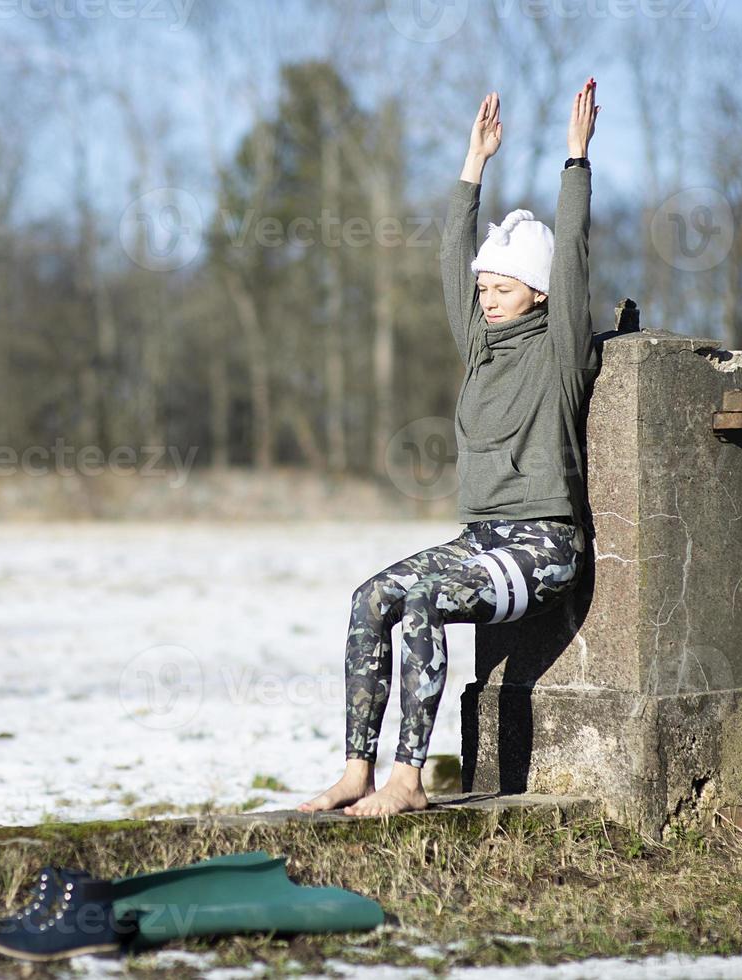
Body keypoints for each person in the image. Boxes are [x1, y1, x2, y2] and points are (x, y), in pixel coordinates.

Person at [298, 78, 603, 817]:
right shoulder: (480, 349)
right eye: (484, 287)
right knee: (371, 597)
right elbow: (447, 260)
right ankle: (356, 770)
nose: (487, 296)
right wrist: (473, 166)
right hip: (481, 540)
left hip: (544, 548)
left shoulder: (559, 352)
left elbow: (573, 263)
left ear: (536, 292)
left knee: (427, 600)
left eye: (503, 286)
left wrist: (575, 158)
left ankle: (409, 781)